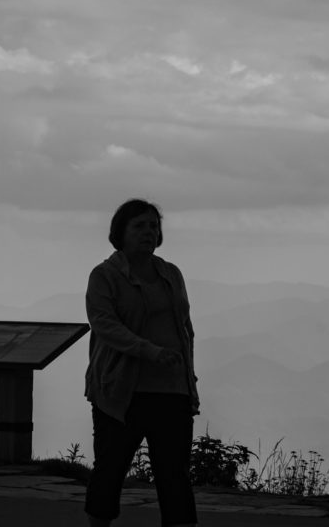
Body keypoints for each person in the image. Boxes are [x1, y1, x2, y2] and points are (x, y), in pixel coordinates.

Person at [83, 199, 199, 527]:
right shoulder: (104, 276)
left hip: (171, 389)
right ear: (121, 232)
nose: (149, 232)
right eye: (139, 226)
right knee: (110, 468)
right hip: (121, 391)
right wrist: (150, 351)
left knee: (174, 475)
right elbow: (105, 326)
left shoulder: (171, 274)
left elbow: (184, 329)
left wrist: (188, 377)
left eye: (153, 226)